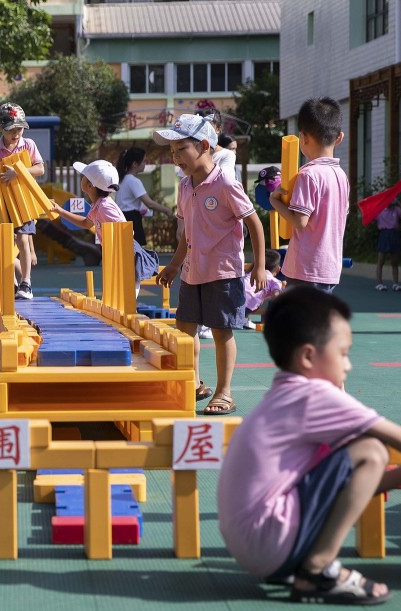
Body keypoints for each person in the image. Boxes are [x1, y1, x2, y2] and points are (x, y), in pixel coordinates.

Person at [218, 286, 401, 605]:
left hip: (257, 545)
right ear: (308, 356)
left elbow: (346, 486)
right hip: (269, 539)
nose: (347, 365)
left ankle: (309, 564)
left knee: (365, 453)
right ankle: (318, 570)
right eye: (343, 354)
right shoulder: (313, 395)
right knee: (371, 450)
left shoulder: (284, 393)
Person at [153, 113, 267, 415]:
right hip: (192, 270)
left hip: (223, 271)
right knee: (185, 327)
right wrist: (175, 265)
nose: (175, 157)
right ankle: (193, 383)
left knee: (221, 330)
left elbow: (254, 223)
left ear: (204, 146)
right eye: (172, 151)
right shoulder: (184, 186)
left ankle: (224, 392)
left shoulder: (225, 183)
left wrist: (259, 264)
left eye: (181, 149)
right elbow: (186, 233)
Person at [269, 97, 350, 292]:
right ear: (339, 137)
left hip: (306, 268)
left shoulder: (308, 174)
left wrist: (275, 201)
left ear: (303, 138)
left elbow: (300, 221)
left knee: (302, 321)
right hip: (329, 267)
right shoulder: (341, 175)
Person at [51, 160, 159, 295]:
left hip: (125, 254)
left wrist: (118, 254)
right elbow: (86, 223)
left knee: (126, 296)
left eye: (83, 177)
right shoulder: (97, 206)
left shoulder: (105, 207)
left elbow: (124, 230)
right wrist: (60, 211)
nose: (81, 178)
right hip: (117, 254)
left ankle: (129, 314)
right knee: (119, 295)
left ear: (90, 185)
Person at [0, 102, 45, 300]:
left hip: (22, 201)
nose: (16, 134)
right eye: (11, 130)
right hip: (1, 202)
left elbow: (40, 168)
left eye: (19, 129)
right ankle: (8, 282)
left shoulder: (28, 145)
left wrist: (18, 172)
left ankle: (26, 282)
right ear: (0, 128)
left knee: (23, 239)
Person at [114, 147, 173, 246]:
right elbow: (149, 203)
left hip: (121, 218)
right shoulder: (133, 181)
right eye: (144, 161)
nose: (145, 164)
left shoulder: (121, 180)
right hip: (131, 219)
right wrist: (167, 210)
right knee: (135, 252)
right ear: (135, 164)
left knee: (125, 252)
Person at [243, 248, 284, 328]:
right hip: (248, 305)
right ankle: (243, 319)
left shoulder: (251, 273)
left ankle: (243, 319)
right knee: (258, 300)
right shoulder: (274, 281)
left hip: (234, 296)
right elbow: (276, 292)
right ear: (278, 269)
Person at [374, 202, 401, 292]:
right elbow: (371, 217)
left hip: (394, 234)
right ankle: (379, 283)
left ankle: (395, 283)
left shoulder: (396, 209)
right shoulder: (379, 210)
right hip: (384, 234)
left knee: (395, 261)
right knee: (381, 261)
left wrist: (399, 204)